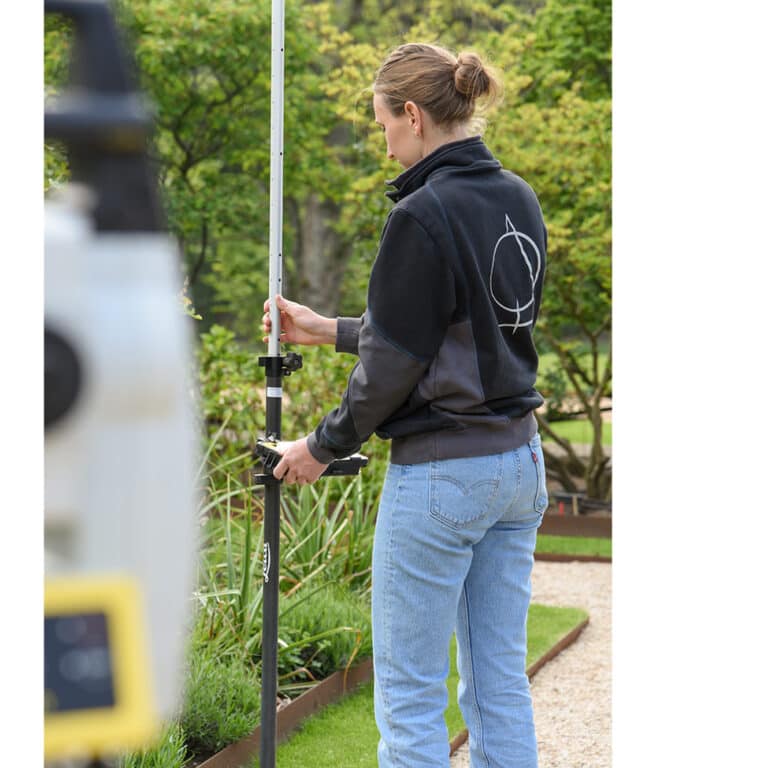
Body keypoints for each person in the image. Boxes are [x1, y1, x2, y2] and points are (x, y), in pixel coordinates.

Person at [262, 42, 549, 768]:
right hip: (519, 466)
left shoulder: (422, 213)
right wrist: (328, 329)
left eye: (383, 122)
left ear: (413, 115)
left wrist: (318, 449)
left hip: (445, 476)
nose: (383, 140)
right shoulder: (517, 196)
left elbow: (392, 368)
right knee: (497, 683)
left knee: (411, 695)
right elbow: (459, 332)